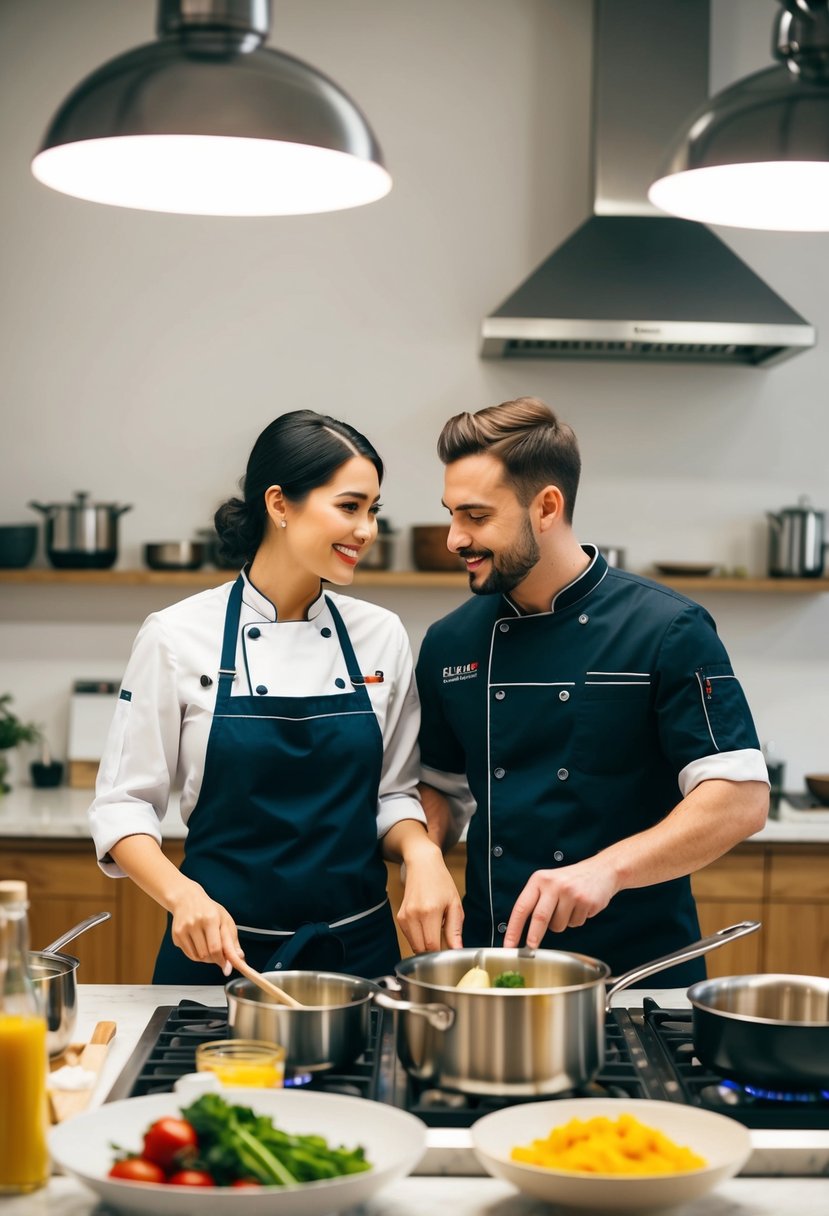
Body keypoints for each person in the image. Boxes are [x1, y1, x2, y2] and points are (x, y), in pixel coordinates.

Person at [89, 409, 462, 983]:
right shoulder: (175, 635)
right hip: (220, 958)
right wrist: (182, 895)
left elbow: (392, 794)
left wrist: (422, 854)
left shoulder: (381, 635)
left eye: (372, 510)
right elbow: (124, 805)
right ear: (279, 504)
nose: (367, 530)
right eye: (349, 506)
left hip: (356, 961)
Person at [416, 396, 769, 986]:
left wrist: (606, 870)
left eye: (476, 517)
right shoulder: (450, 643)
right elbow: (442, 788)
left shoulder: (666, 628)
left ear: (546, 506)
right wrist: (424, 856)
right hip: (494, 964)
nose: (454, 538)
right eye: (451, 514)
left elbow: (739, 799)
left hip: (639, 976)